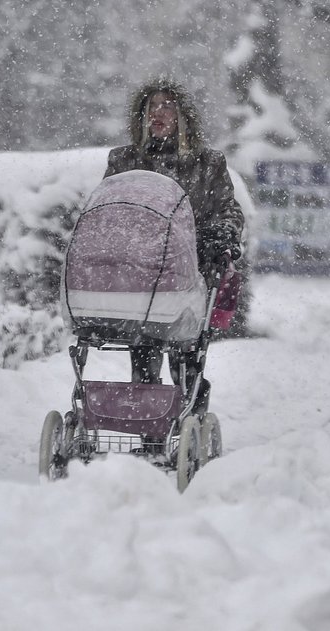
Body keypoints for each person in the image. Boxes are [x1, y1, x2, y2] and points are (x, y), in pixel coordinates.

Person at [103, 77, 244, 415]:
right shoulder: (124, 161)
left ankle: (187, 414)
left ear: (183, 116)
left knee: (186, 352)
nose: (158, 114)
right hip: (143, 273)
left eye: (167, 106)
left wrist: (220, 233)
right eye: (151, 107)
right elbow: (109, 209)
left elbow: (228, 210)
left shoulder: (207, 164)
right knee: (144, 348)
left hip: (191, 270)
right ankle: (148, 417)